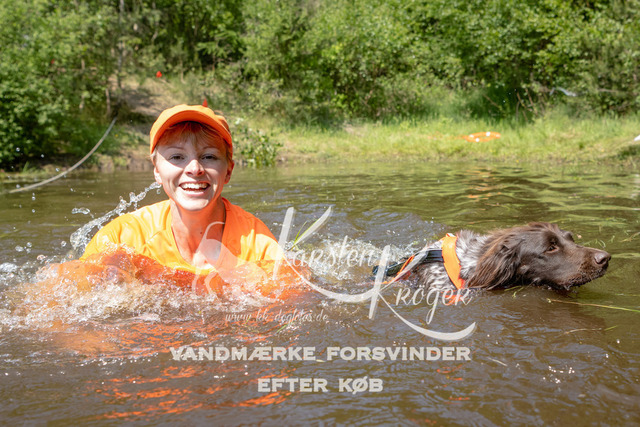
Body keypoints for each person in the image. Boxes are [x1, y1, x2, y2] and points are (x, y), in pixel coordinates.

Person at [80, 104, 288, 292]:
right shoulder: (122, 238)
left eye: (209, 157)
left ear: (228, 171)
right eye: (177, 157)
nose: (195, 168)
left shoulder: (258, 244)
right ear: (157, 171)